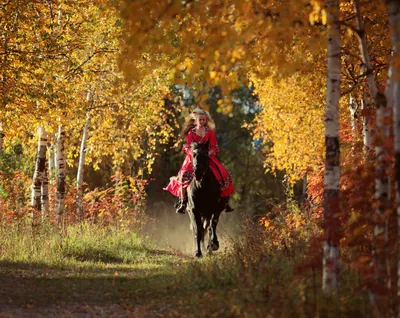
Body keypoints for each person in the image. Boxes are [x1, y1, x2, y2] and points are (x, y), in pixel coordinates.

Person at [163, 107, 235, 214]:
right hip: (193, 158)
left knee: (222, 174)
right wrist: (194, 154)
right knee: (183, 176)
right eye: (200, 120)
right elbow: (188, 146)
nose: (202, 122)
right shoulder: (191, 133)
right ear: (196, 120)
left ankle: (224, 201)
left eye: (204, 120)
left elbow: (214, 146)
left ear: (206, 120)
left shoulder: (210, 132)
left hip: (207, 157)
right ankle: (183, 202)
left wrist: (208, 153)